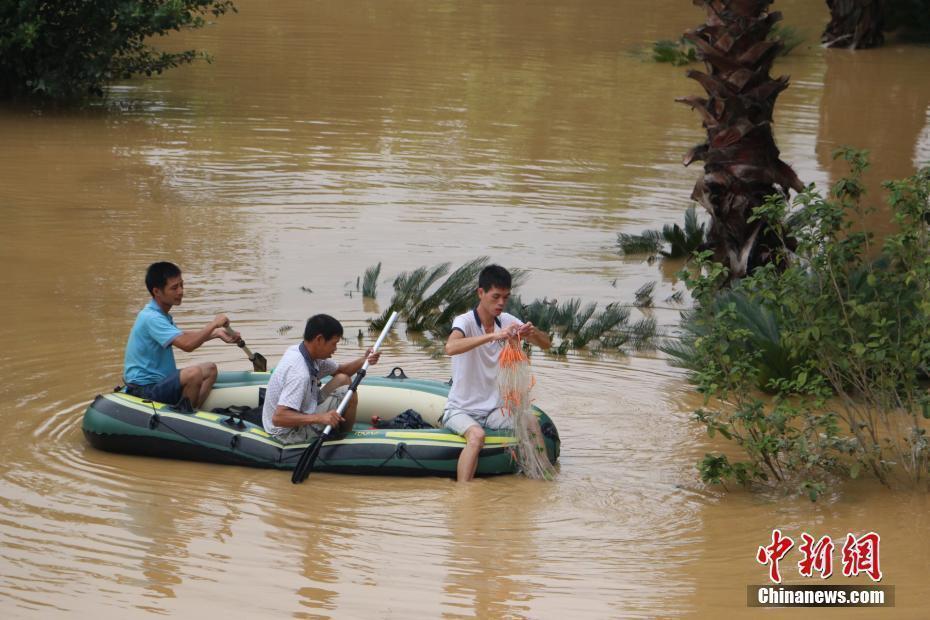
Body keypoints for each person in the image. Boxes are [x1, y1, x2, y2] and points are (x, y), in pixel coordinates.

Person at [442, 264, 551, 482]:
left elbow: (546, 344)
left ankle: (543, 476)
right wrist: (492, 337)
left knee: (530, 422)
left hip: (494, 410)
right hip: (461, 410)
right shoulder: (465, 321)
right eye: (496, 296)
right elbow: (450, 347)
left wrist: (532, 333)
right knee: (477, 436)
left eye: (506, 297)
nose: (501, 303)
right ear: (480, 293)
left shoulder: (508, 321)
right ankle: (464, 493)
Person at [123, 262, 241, 411]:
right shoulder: (152, 318)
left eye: (181, 285)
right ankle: (184, 416)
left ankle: (195, 410)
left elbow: (181, 336)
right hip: (144, 390)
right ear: (157, 291)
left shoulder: (159, 314)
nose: (180, 291)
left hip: (160, 383)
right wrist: (213, 324)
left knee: (210, 369)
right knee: (194, 373)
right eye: (174, 288)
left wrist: (216, 334)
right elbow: (187, 345)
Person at [262, 314, 381, 444]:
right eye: (333, 344)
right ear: (319, 339)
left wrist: (365, 360)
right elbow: (279, 418)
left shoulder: (304, 352)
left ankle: (338, 428)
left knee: (343, 379)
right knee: (350, 394)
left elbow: (342, 371)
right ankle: (344, 440)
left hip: (305, 407)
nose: (335, 349)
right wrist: (319, 418)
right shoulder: (299, 373)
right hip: (287, 432)